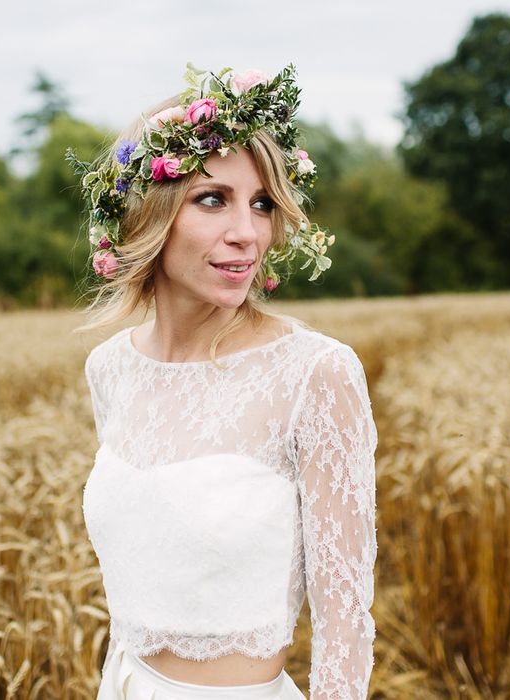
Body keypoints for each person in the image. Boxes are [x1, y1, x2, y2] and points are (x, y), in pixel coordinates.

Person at [71, 64, 378, 700]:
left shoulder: (314, 373)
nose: (249, 232)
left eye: (262, 203)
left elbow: (344, 620)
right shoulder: (110, 368)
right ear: (147, 215)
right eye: (213, 199)